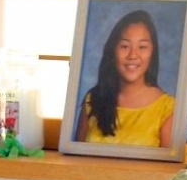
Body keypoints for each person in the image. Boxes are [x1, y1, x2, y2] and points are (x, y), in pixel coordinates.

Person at [74, 10, 175, 147]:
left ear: (152, 52)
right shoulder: (93, 100)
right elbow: (76, 161)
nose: (133, 55)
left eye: (142, 47)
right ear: (113, 50)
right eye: (125, 46)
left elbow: (168, 168)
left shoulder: (167, 109)